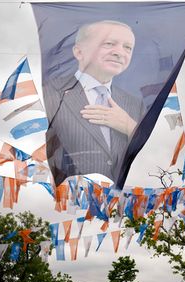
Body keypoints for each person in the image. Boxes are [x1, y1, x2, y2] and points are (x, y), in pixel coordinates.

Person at [43, 20, 145, 187]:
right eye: (109, 43)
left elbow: (154, 157)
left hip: (121, 206)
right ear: (79, 51)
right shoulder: (48, 93)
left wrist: (130, 127)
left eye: (127, 47)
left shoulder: (135, 105)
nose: (119, 52)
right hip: (64, 204)